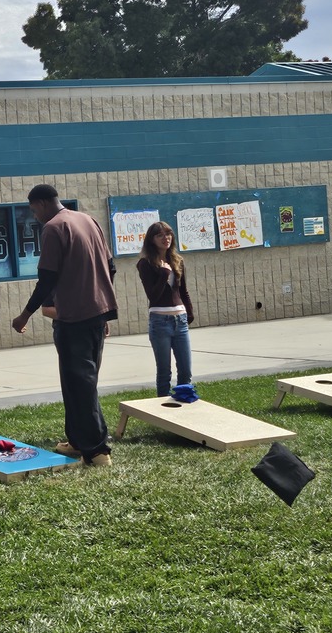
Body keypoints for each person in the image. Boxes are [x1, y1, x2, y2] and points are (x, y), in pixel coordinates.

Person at [12, 184, 118, 467]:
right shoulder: (88, 220)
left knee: (80, 384)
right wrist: (101, 305)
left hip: (74, 319)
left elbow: (47, 278)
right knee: (80, 380)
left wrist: (25, 314)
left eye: (35, 211)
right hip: (96, 314)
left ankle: (96, 451)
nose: (36, 217)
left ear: (44, 203)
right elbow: (111, 267)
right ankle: (76, 439)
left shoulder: (54, 228)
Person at [137, 221, 195, 396]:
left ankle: (185, 403)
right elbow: (153, 297)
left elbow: (183, 291)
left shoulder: (177, 260)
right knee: (164, 372)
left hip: (180, 320)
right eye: (160, 235)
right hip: (160, 321)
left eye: (168, 234)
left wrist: (189, 312)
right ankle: (163, 411)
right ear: (151, 240)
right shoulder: (145, 263)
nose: (166, 238)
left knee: (185, 370)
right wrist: (163, 274)